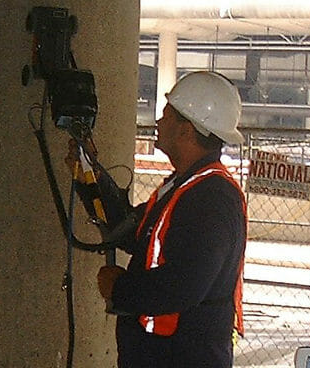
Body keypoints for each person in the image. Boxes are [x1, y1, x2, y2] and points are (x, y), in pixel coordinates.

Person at [84, 71, 249, 367]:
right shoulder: (184, 186)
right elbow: (131, 231)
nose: (159, 122)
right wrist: (90, 176)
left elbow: (186, 284)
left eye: (166, 115)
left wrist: (120, 289)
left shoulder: (212, 197)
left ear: (186, 131)